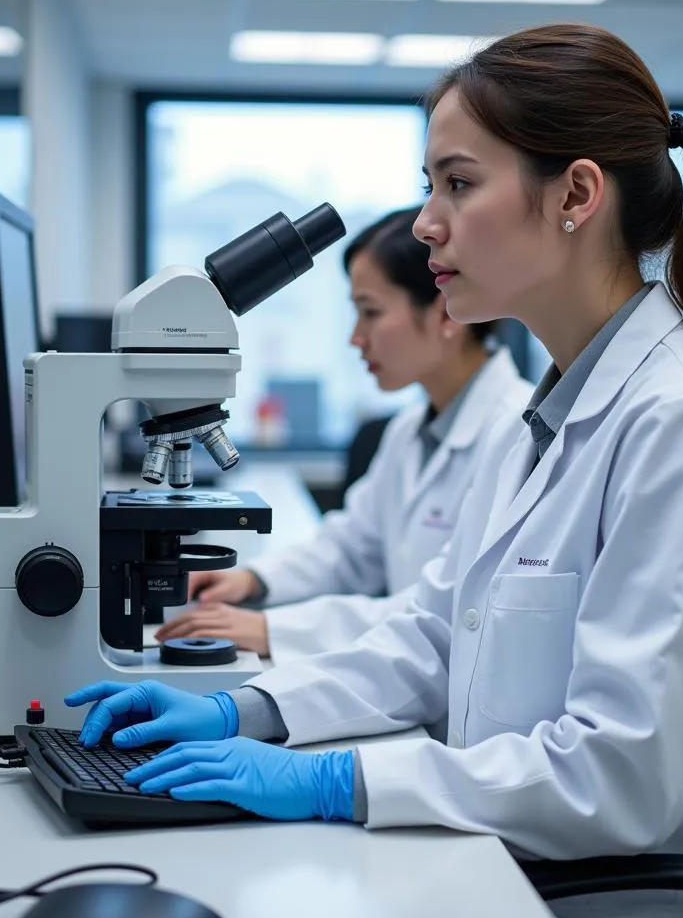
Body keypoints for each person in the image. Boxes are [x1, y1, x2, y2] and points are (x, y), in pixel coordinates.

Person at [68, 23, 683, 918]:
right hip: (505, 872)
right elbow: (432, 636)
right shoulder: (549, 416)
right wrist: (251, 709)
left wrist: (338, 783)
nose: (425, 221)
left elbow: (620, 777)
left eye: (458, 184)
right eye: (432, 187)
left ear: (576, 194)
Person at [156, 206, 532, 660]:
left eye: (370, 313)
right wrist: (253, 580)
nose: (356, 338)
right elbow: (351, 547)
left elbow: (445, 609)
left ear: (446, 312)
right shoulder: (408, 430)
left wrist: (272, 629)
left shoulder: (518, 434)